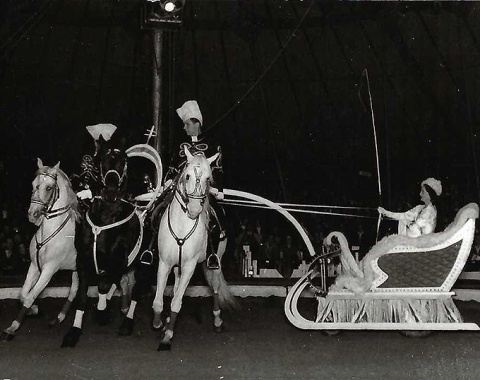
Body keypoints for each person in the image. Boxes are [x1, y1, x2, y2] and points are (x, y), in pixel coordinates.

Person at [150, 100, 225, 269]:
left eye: (187, 124)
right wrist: (167, 181)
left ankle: (212, 252)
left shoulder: (212, 146)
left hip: (202, 191)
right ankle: (153, 249)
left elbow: (218, 169)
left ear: (196, 123)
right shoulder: (179, 146)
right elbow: (171, 166)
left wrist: (218, 189)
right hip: (179, 189)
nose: (184, 128)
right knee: (157, 210)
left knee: (217, 215)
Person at [378, 177, 442, 238]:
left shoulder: (430, 212)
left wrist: (407, 222)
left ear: (429, 194)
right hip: (413, 239)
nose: (420, 194)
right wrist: (385, 212)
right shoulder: (420, 208)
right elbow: (404, 215)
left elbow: (414, 230)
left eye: (422, 191)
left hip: (421, 245)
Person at [71, 123, 118, 202]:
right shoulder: (89, 155)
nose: (96, 144)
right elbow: (78, 174)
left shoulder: (110, 160)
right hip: (78, 195)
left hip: (98, 201)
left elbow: (109, 184)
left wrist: (91, 192)